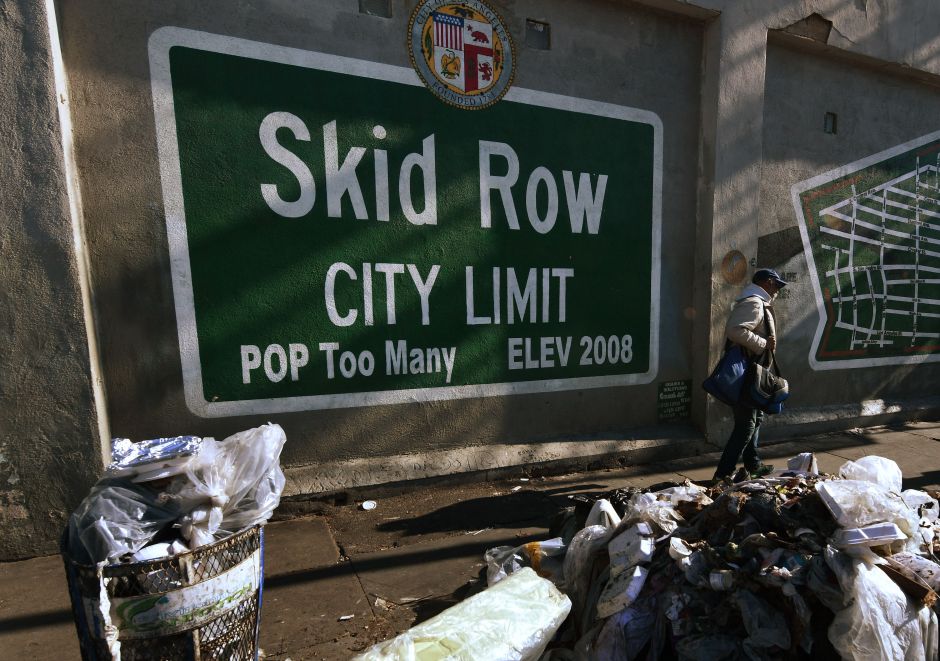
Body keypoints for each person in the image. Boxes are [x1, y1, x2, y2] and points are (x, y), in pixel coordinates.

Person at [713, 268, 788, 481]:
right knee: (746, 425)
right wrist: (764, 343)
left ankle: (753, 464)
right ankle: (722, 474)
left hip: (754, 373)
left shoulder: (758, 301)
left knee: (756, 419)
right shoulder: (754, 302)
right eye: (777, 285)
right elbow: (735, 330)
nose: (778, 290)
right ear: (766, 282)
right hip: (747, 374)